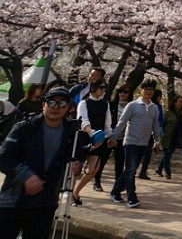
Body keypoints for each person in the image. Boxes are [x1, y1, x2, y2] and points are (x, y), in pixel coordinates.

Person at [0, 86, 86, 239]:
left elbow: (76, 156)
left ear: (68, 108)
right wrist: (26, 175)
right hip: (13, 201)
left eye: (62, 104)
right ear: (43, 105)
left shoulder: (72, 134)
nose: (56, 107)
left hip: (45, 203)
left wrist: (77, 165)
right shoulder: (24, 127)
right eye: (51, 102)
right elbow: (4, 157)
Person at [107, 79, 161, 208]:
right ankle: (132, 198)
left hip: (144, 144)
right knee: (131, 170)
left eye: (151, 90)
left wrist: (157, 141)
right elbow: (122, 122)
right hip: (131, 142)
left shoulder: (154, 108)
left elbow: (156, 125)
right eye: (146, 89)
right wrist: (113, 137)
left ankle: (115, 192)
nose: (148, 92)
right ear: (141, 90)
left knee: (130, 170)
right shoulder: (132, 105)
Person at [71, 78, 112, 205]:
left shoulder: (106, 104)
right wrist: (90, 132)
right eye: (101, 87)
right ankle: (70, 193)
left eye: (105, 88)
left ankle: (76, 192)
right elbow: (83, 120)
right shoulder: (84, 103)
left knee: (94, 169)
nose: (103, 90)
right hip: (83, 138)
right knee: (76, 168)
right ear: (93, 88)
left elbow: (107, 124)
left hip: (99, 140)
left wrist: (110, 136)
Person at [156, 94, 182, 179]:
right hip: (167, 137)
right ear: (174, 103)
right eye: (179, 102)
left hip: (176, 138)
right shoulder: (168, 113)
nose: (181, 103)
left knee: (168, 155)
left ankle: (159, 169)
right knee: (167, 155)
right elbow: (162, 124)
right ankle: (167, 173)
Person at [137, 88, 163, 180]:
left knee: (143, 153)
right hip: (149, 133)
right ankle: (143, 171)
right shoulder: (156, 106)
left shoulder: (153, 106)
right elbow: (159, 121)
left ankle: (141, 170)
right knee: (146, 153)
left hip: (145, 132)